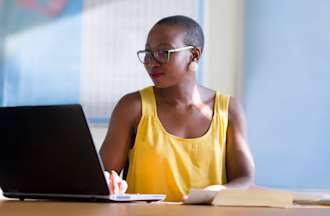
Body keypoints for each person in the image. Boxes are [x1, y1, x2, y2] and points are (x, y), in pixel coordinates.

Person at [100, 15, 255, 202]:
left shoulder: (228, 110)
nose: (151, 62)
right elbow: (103, 177)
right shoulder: (132, 107)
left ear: (194, 55)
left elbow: (246, 180)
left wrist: (219, 191)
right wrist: (110, 183)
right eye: (148, 53)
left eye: (163, 52)